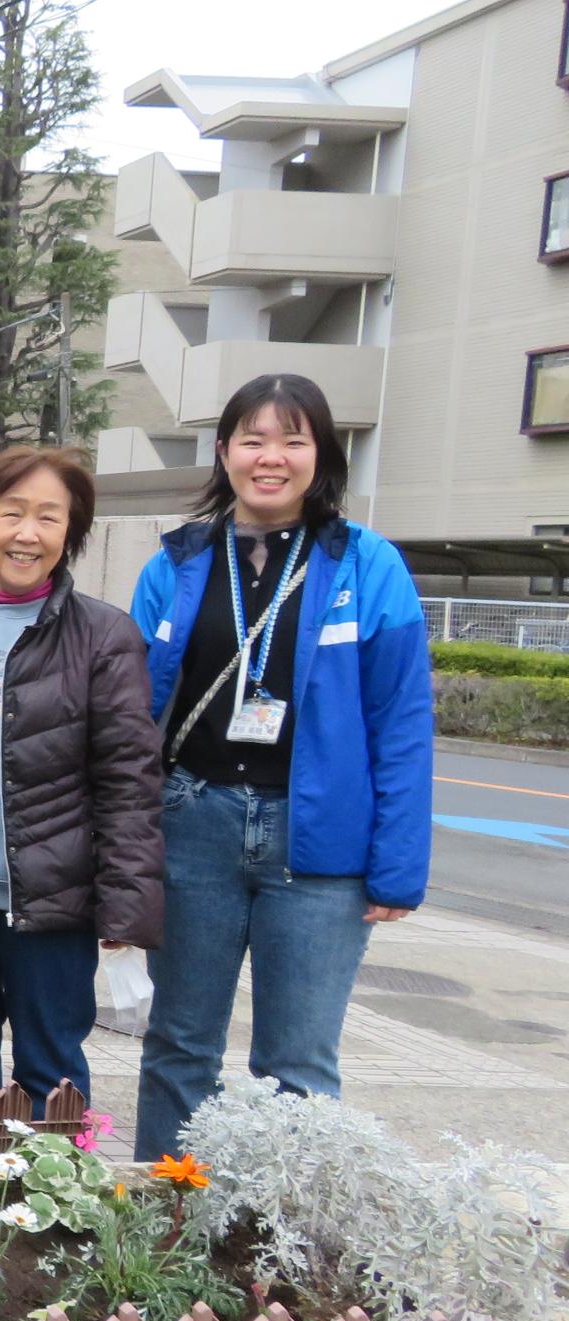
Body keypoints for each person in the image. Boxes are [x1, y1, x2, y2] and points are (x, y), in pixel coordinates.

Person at [130, 373, 433, 1159]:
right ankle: (167, 1236)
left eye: (293, 439)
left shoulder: (369, 565)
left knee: (296, 1064)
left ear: (321, 454)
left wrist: (397, 865)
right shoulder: (177, 562)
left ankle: (281, 1253)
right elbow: (128, 721)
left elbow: (400, 720)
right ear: (224, 451)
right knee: (178, 1048)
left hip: (319, 838)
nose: (272, 457)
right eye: (253, 439)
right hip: (191, 822)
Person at [0, 447, 163, 1116]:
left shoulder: (103, 636)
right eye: (11, 512)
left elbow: (129, 780)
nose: (27, 533)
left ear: (70, 532)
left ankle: (47, 1214)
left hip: (50, 901)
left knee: (49, 1069)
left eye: (49, 517)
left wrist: (125, 915)